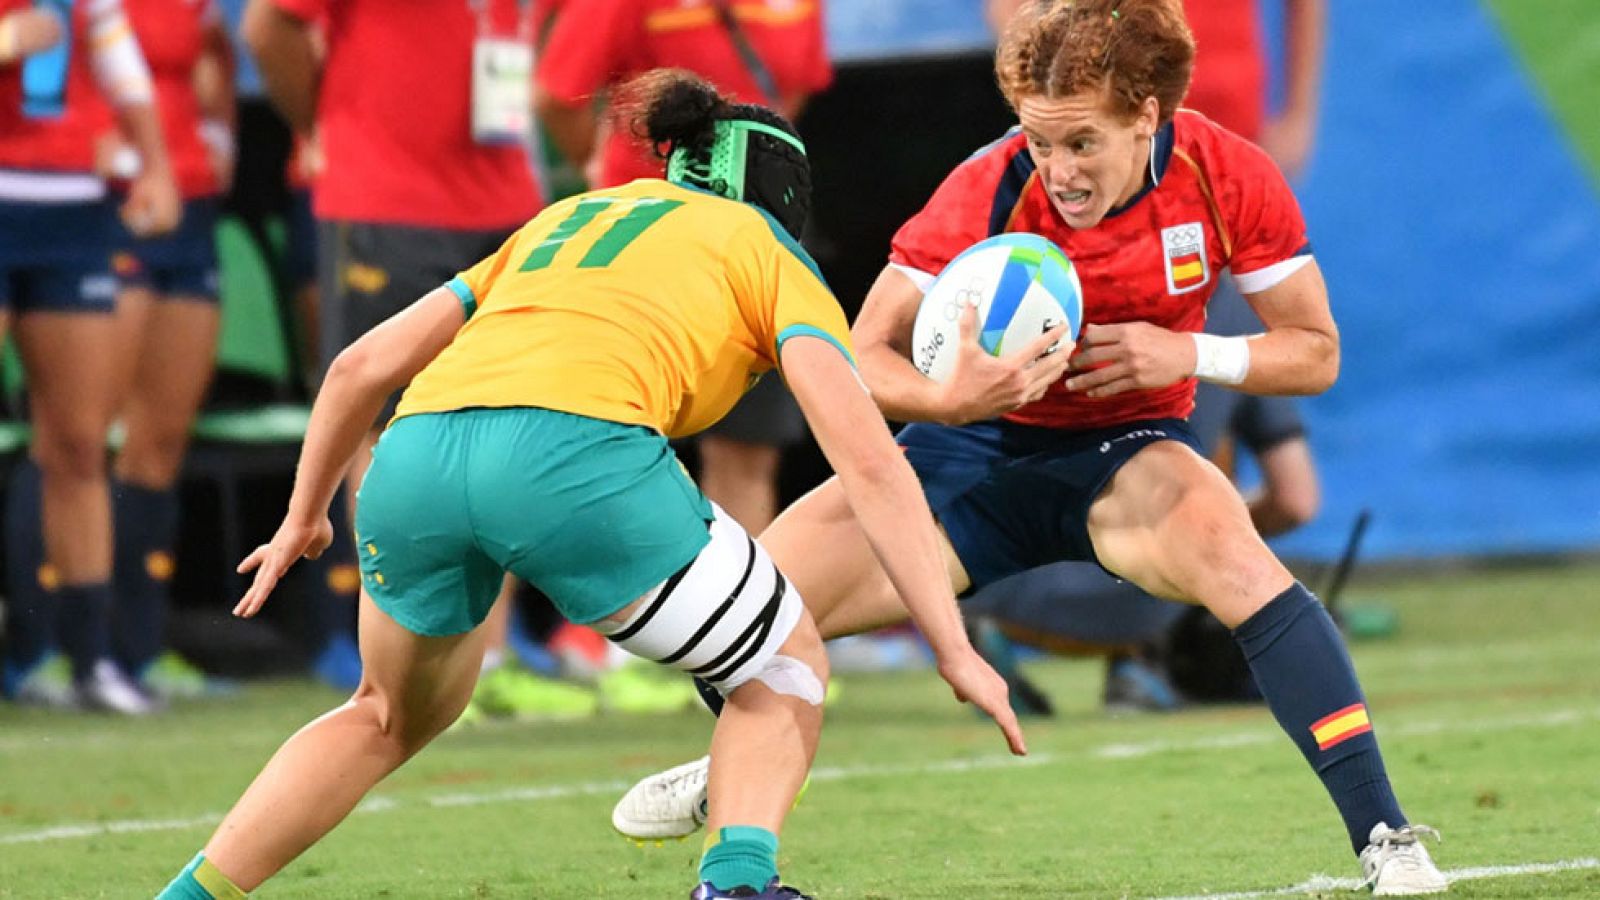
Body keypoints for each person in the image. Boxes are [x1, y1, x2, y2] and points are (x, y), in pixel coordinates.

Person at [612, 2, 1448, 893]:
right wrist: (947, 397)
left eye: (1081, 143)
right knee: (743, 611)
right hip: (961, 461)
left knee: (1242, 565)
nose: (1057, 170)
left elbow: (1315, 352)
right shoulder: (986, 184)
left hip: (1126, 454)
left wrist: (1188, 353)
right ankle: (741, 771)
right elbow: (856, 356)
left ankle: (1386, 836)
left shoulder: (1225, 174)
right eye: (1040, 142)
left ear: (1147, 117)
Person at [154, 70, 1024, 900]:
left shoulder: (566, 219)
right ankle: (738, 882)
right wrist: (951, 646)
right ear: (784, 203)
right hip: (575, 459)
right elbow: (869, 461)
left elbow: (356, 367)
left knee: (383, 714)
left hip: (414, 455)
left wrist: (305, 518)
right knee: (785, 665)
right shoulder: (769, 249)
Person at [535, 0, 834, 534]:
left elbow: (792, 90)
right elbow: (559, 95)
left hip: (759, 231)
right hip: (646, 237)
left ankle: (742, 608)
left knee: (748, 448)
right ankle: (630, 608)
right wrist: (599, 170)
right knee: (626, 438)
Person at [0, 0, 181, 713]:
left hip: (72, 204)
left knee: (78, 442)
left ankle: (90, 660)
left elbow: (114, 52)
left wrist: (156, 163)